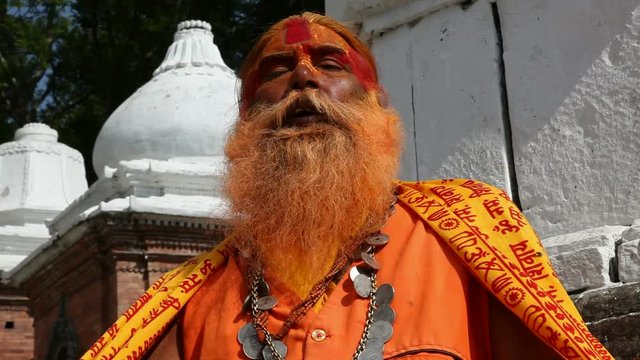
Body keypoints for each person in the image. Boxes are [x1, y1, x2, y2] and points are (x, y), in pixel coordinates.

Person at [82, 12, 612, 360]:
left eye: (330, 64)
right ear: (244, 124)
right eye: (278, 69)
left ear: (377, 107)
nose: (304, 79)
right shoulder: (188, 303)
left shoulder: (469, 231)